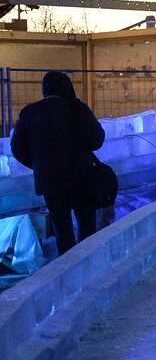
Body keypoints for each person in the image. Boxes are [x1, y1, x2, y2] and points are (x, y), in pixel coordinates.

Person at [10, 71, 107, 255]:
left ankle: (67, 271)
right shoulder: (78, 109)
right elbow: (97, 140)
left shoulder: (29, 113)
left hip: (49, 181)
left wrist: (38, 164)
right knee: (87, 227)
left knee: (62, 229)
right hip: (82, 178)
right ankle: (89, 266)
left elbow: (16, 147)